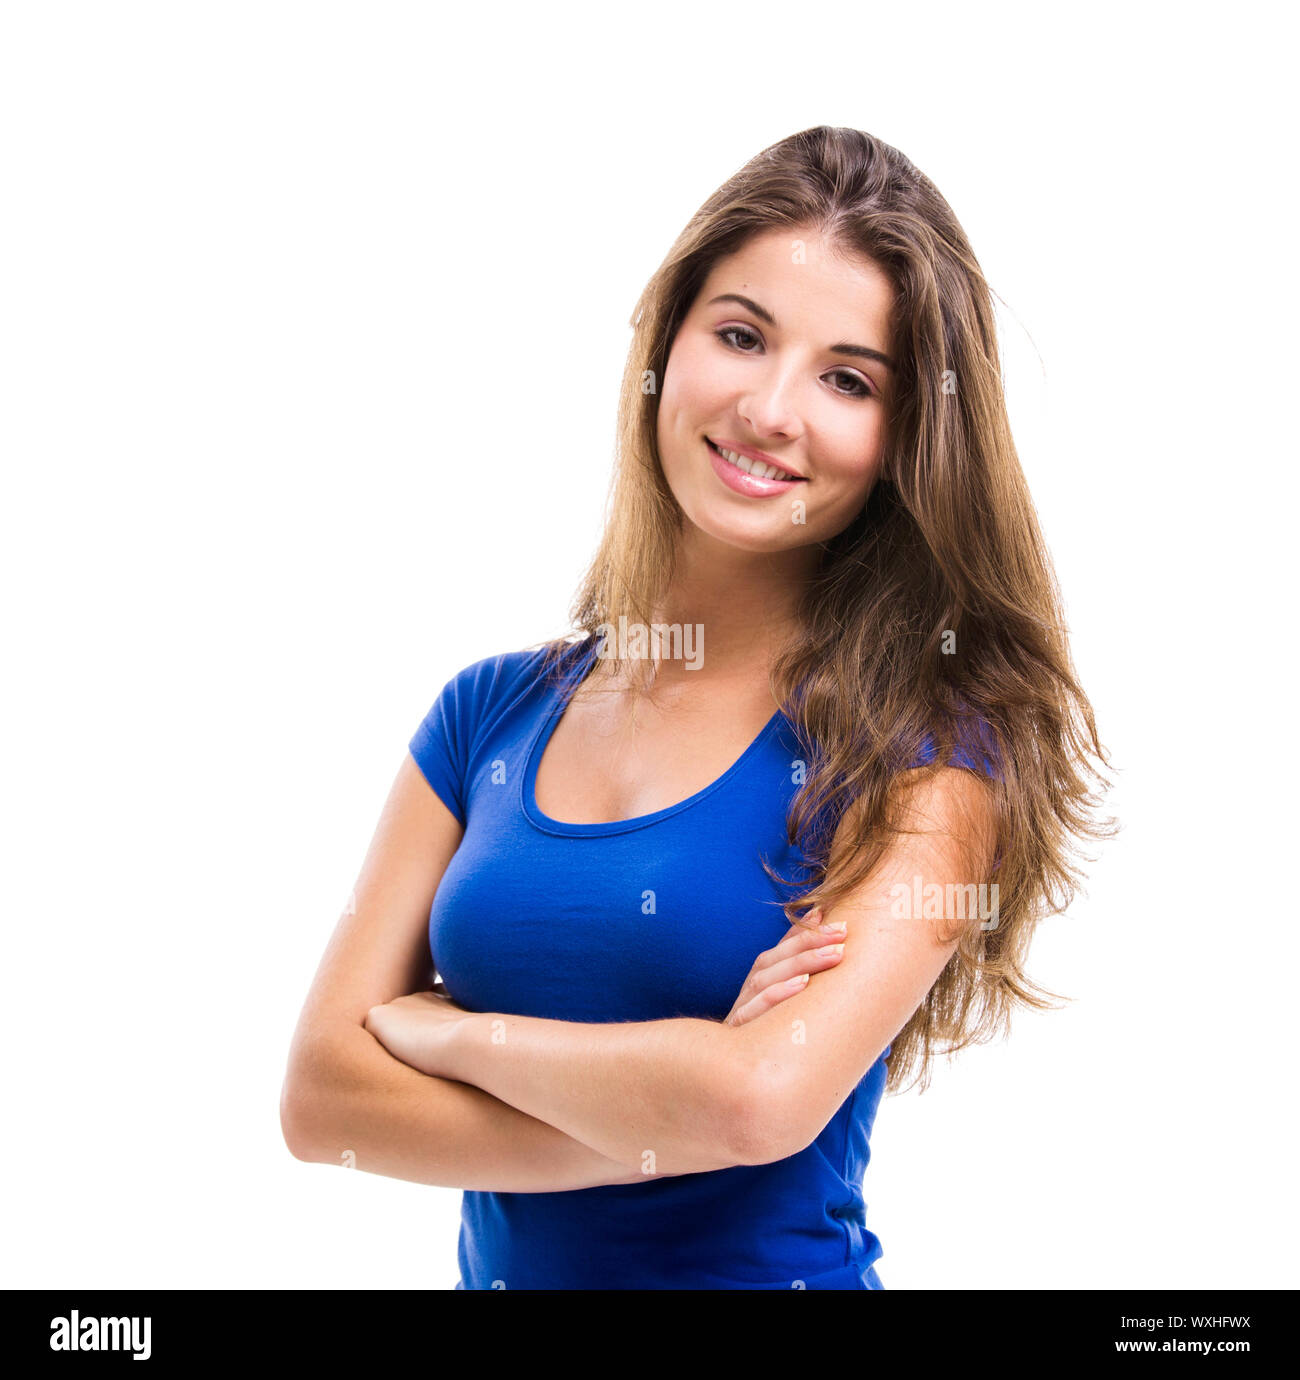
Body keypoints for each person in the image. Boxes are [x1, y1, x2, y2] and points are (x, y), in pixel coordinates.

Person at [280, 124, 1112, 1289]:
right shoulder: (486, 717)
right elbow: (323, 1103)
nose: (772, 409)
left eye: (845, 378)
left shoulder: (927, 754)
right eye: (739, 335)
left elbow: (760, 1105)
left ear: (904, 437)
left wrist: (450, 1034)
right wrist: (671, 1092)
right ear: (665, 349)